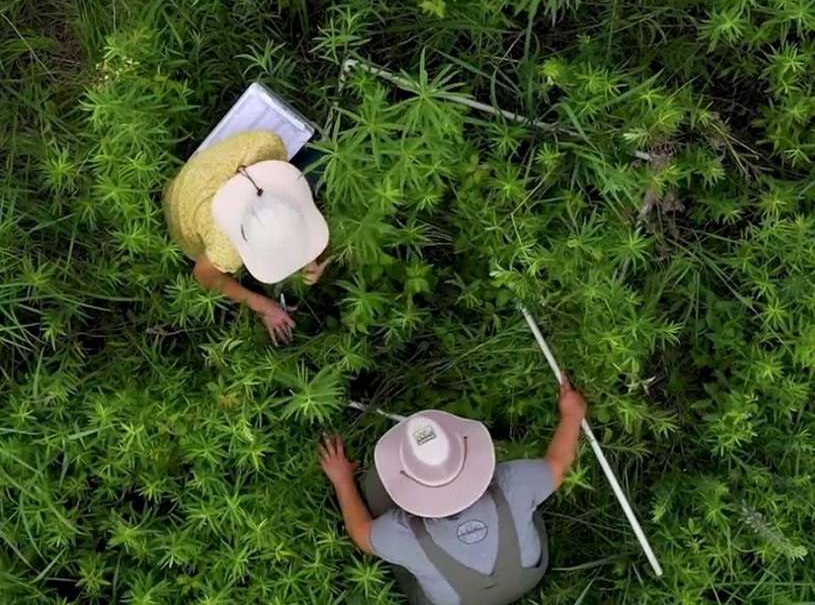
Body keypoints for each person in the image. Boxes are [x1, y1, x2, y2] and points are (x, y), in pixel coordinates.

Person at [318, 373, 587, 605]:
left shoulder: (404, 534)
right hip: (527, 575)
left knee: (375, 486)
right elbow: (558, 465)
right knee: (525, 498)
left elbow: (363, 536)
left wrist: (342, 480)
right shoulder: (511, 481)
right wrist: (572, 415)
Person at [163, 130, 331, 345]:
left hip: (202, 170)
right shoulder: (227, 247)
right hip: (178, 201)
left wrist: (306, 256)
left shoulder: (267, 145)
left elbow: (276, 212)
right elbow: (203, 274)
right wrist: (263, 305)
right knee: (314, 167)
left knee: (317, 163)